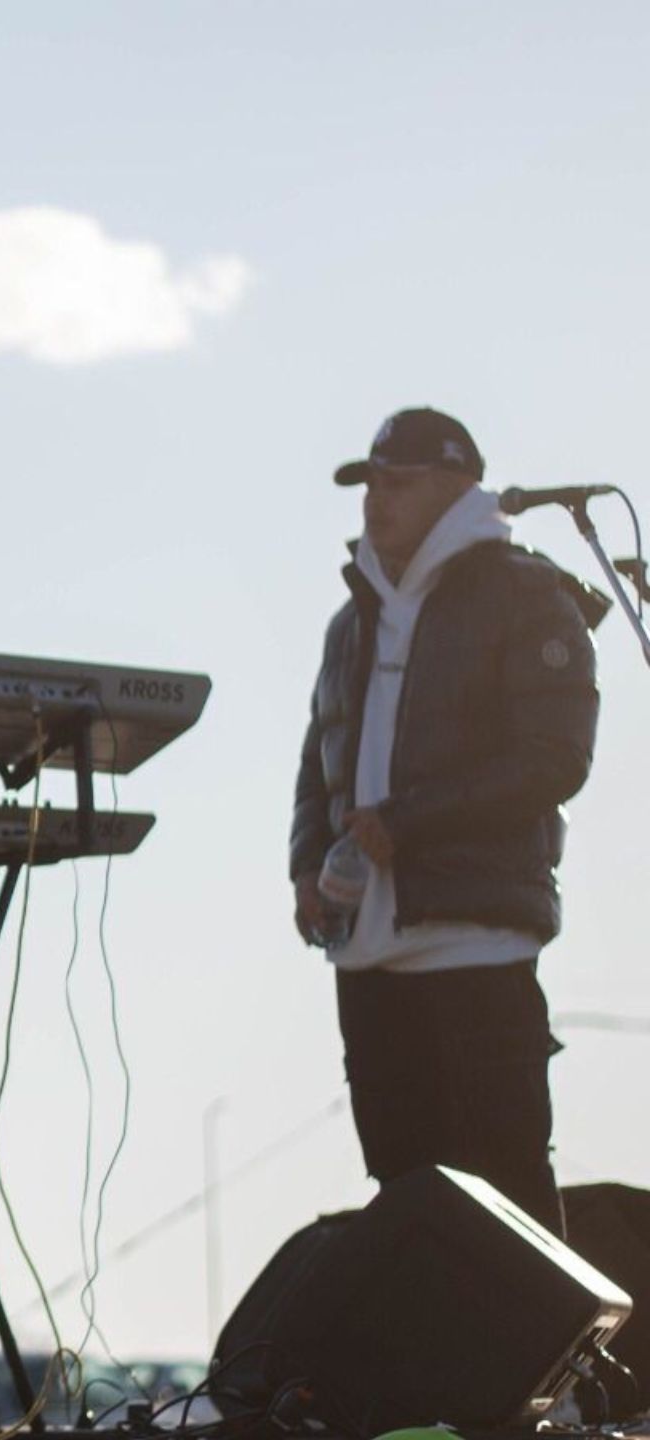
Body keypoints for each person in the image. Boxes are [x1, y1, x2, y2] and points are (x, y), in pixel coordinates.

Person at [291, 407, 604, 1235]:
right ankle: (433, 1370)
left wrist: (410, 824)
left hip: (478, 944)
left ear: (455, 487)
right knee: (407, 1207)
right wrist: (304, 866)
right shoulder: (350, 620)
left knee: (510, 1202)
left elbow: (553, 757)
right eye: (368, 484)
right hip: (366, 957)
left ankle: (550, 1369)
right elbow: (315, 754)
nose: (375, 503)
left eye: (396, 484)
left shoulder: (524, 593)